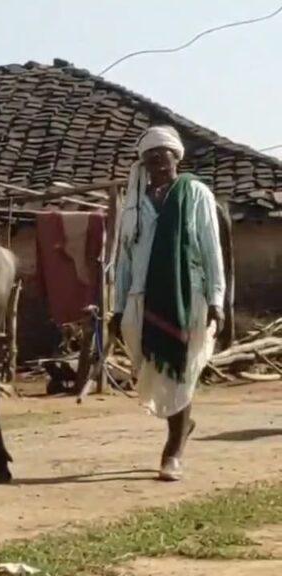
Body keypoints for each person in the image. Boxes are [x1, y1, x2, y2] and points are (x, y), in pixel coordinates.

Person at [109, 125, 225, 482]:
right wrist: (116, 308)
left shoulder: (195, 194)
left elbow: (210, 248)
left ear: (176, 157)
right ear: (142, 162)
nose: (158, 161)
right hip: (140, 299)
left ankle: (173, 450)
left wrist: (217, 301)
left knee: (181, 370)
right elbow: (124, 258)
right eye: (150, 156)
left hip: (187, 296)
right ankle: (183, 423)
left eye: (164, 155)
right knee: (152, 367)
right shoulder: (134, 205)